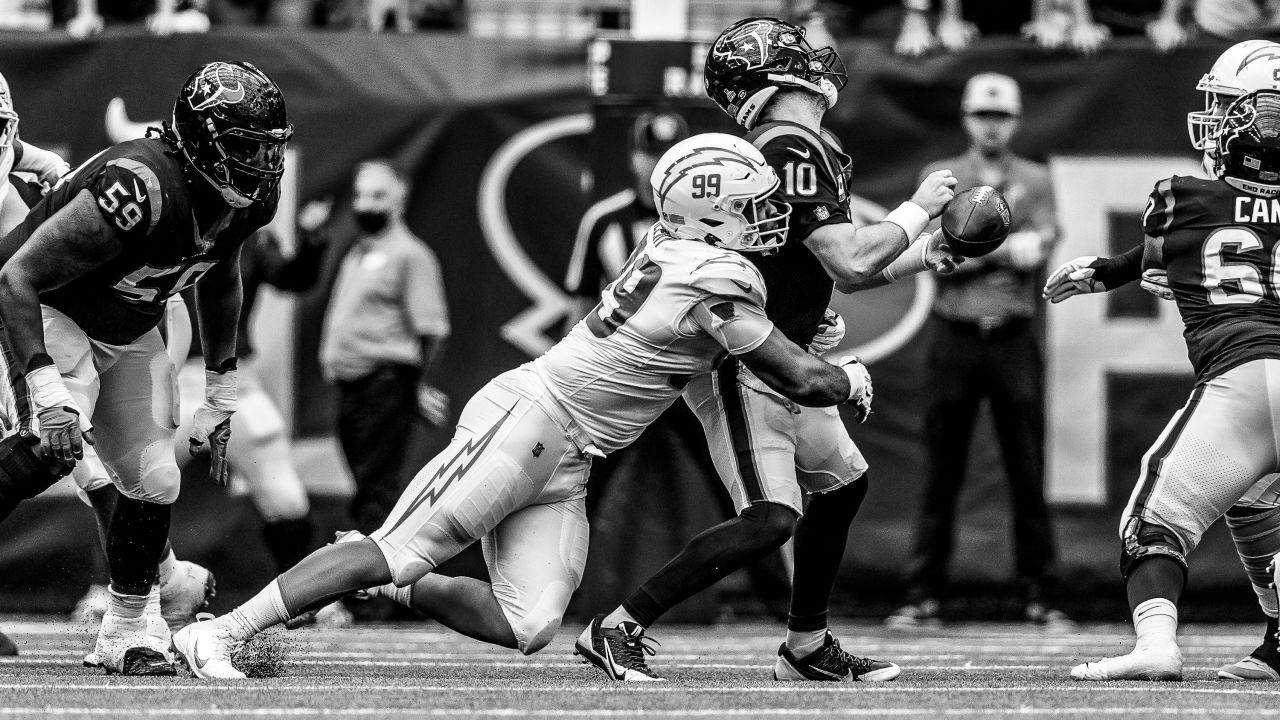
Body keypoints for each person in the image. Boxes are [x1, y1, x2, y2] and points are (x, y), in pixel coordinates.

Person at [171, 132, 876, 680]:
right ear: (707, 212)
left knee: (528, 623)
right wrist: (846, 376)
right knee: (401, 549)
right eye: (751, 205)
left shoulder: (676, 248)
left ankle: (389, 586)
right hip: (535, 418)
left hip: (576, 453)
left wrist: (807, 334)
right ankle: (221, 631)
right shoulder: (712, 272)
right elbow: (801, 381)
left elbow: (737, 342)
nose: (770, 216)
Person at [574, 16, 961, 682]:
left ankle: (806, 646)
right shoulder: (788, 145)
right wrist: (919, 209)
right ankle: (617, 626)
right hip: (743, 355)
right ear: (773, 72)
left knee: (842, 487)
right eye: (799, 54)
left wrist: (923, 253)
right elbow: (850, 263)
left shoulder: (803, 144)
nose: (817, 62)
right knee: (770, 518)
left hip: (780, 343)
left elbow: (822, 264)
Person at [0, 60, 292, 675]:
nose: (263, 164)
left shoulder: (248, 199)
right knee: (49, 444)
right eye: (246, 147)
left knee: (155, 479)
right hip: (50, 310)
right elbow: (18, 278)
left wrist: (221, 391)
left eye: (269, 148)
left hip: (130, 328)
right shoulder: (141, 184)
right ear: (202, 139)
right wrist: (45, 383)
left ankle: (129, 628)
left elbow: (221, 282)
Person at [1042, 53, 1280, 680]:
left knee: (1156, 520)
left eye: (1227, 108)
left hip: (1246, 377)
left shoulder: (1184, 198)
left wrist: (1104, 271)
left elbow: (1158, 251)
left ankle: (1156, 646)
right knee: (1256, 503)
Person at [885, 73, 1065, 629]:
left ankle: (1042, 593)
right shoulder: (941, 180)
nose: (992, 125)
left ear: (1014, 120)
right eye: (984, 115)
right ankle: (923, 595)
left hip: (1011, 337)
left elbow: (1039, 250)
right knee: (942, 468)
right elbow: (932, 254)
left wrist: (973, 247)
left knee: (1027, 467)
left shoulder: (1036, 178)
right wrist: (1001, 250)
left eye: (1002, 116)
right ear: (967, 119)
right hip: (955, 335)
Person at [319, 160, 451, 538]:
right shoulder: (359, 253)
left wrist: (414, 386)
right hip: (353, 388)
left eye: (378, 195)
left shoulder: (411, 255)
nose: (366, 204)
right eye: (360, 195)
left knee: (376, 496)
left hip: (384, 385)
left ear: (400, 200)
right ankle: (372, 586)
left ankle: (378, 590)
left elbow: (433, 331)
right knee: (364, 489)